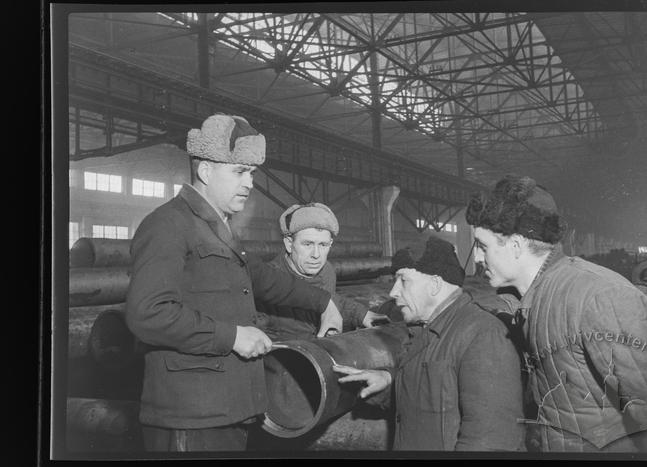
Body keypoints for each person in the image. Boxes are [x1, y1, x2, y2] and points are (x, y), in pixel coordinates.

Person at [125, 114, 343, 452]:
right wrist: (232, 336)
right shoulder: (168, 224)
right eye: (239, 172)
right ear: (206, 171)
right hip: (191, 417)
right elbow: (147, 313)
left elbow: (262, 277)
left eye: (252, 173)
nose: (250, 183)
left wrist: (323, 302)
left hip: (226, 411)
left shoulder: (217, 228)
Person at [465, 174, 647, 452]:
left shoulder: (598, 297)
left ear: (517, 245)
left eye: (483, 247)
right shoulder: (534, 298)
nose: (477, 258)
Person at [333, 236, 525, 451]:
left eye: (403, 280)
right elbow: (438, 391)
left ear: (434, 284)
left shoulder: (483, 335)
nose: (393, 292)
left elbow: (492, 441)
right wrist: (389, 380)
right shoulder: (424, 331)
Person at [255, 202, 386, 341]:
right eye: (307, 244)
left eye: (323, 245)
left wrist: (362, 315)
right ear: (289, 244)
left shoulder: (326, 271)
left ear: (330, 244)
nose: (316, 255)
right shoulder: (266, 282)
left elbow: (331, 300)